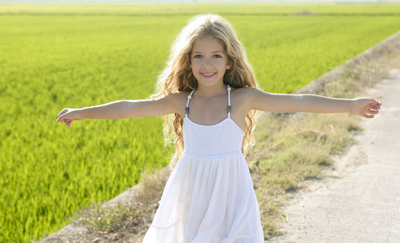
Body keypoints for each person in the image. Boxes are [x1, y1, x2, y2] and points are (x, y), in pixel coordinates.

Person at [56, 14, 381, 242]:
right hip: (191, 192)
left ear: (229, 61)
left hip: (231, 193)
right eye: (199, 56)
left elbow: (301, 102)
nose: (207, 64)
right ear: (189, 62)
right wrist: (82, 113)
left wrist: (350, 105)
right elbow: (129, 107)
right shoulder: (180, 101)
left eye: (215, 55)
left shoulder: (240, 100)